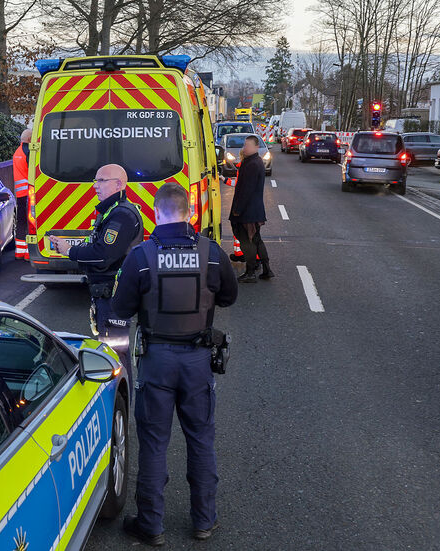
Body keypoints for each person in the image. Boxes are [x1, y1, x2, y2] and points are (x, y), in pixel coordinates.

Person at [111, 183, 238, 545]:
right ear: (190, 212)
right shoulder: (211, 253)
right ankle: (204, 520)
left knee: (153, 443)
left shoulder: (140, 256)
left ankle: (151, 525)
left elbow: (121, 309)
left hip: (157, 361)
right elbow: (228, 296)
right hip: (198, 360)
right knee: (201, 439)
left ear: (155, 213)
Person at [49, 164, 142, 363]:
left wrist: (70, 251)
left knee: (114, 355)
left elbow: (103, 254)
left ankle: (119, 384)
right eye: (95, 180)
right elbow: (96, 244)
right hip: (107, 294)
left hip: (114, 296)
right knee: (110, 352)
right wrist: (68, 247)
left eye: (101, 180)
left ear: (118, 184)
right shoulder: (110, 211)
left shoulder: (122, 215)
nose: (95, 186)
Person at [230, 134, 274, 283]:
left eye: (247, 145)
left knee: (247, 242)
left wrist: (237, 210)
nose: (245, 148)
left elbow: (246, 190)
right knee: (256, 240)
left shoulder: (252, 164)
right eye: (244, 145)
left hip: (247, 213)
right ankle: (266, 269)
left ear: (256, 147)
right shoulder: (254, 161)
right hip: (254, 211)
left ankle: (250, 272)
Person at [12, 128, 32, 259]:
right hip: (29, 193)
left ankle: (19, 251)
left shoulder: (17, 152)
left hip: (20, 194)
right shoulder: (28, 151)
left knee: (21, 222)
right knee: (31, 222)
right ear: (30, 139)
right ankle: (29, 252)